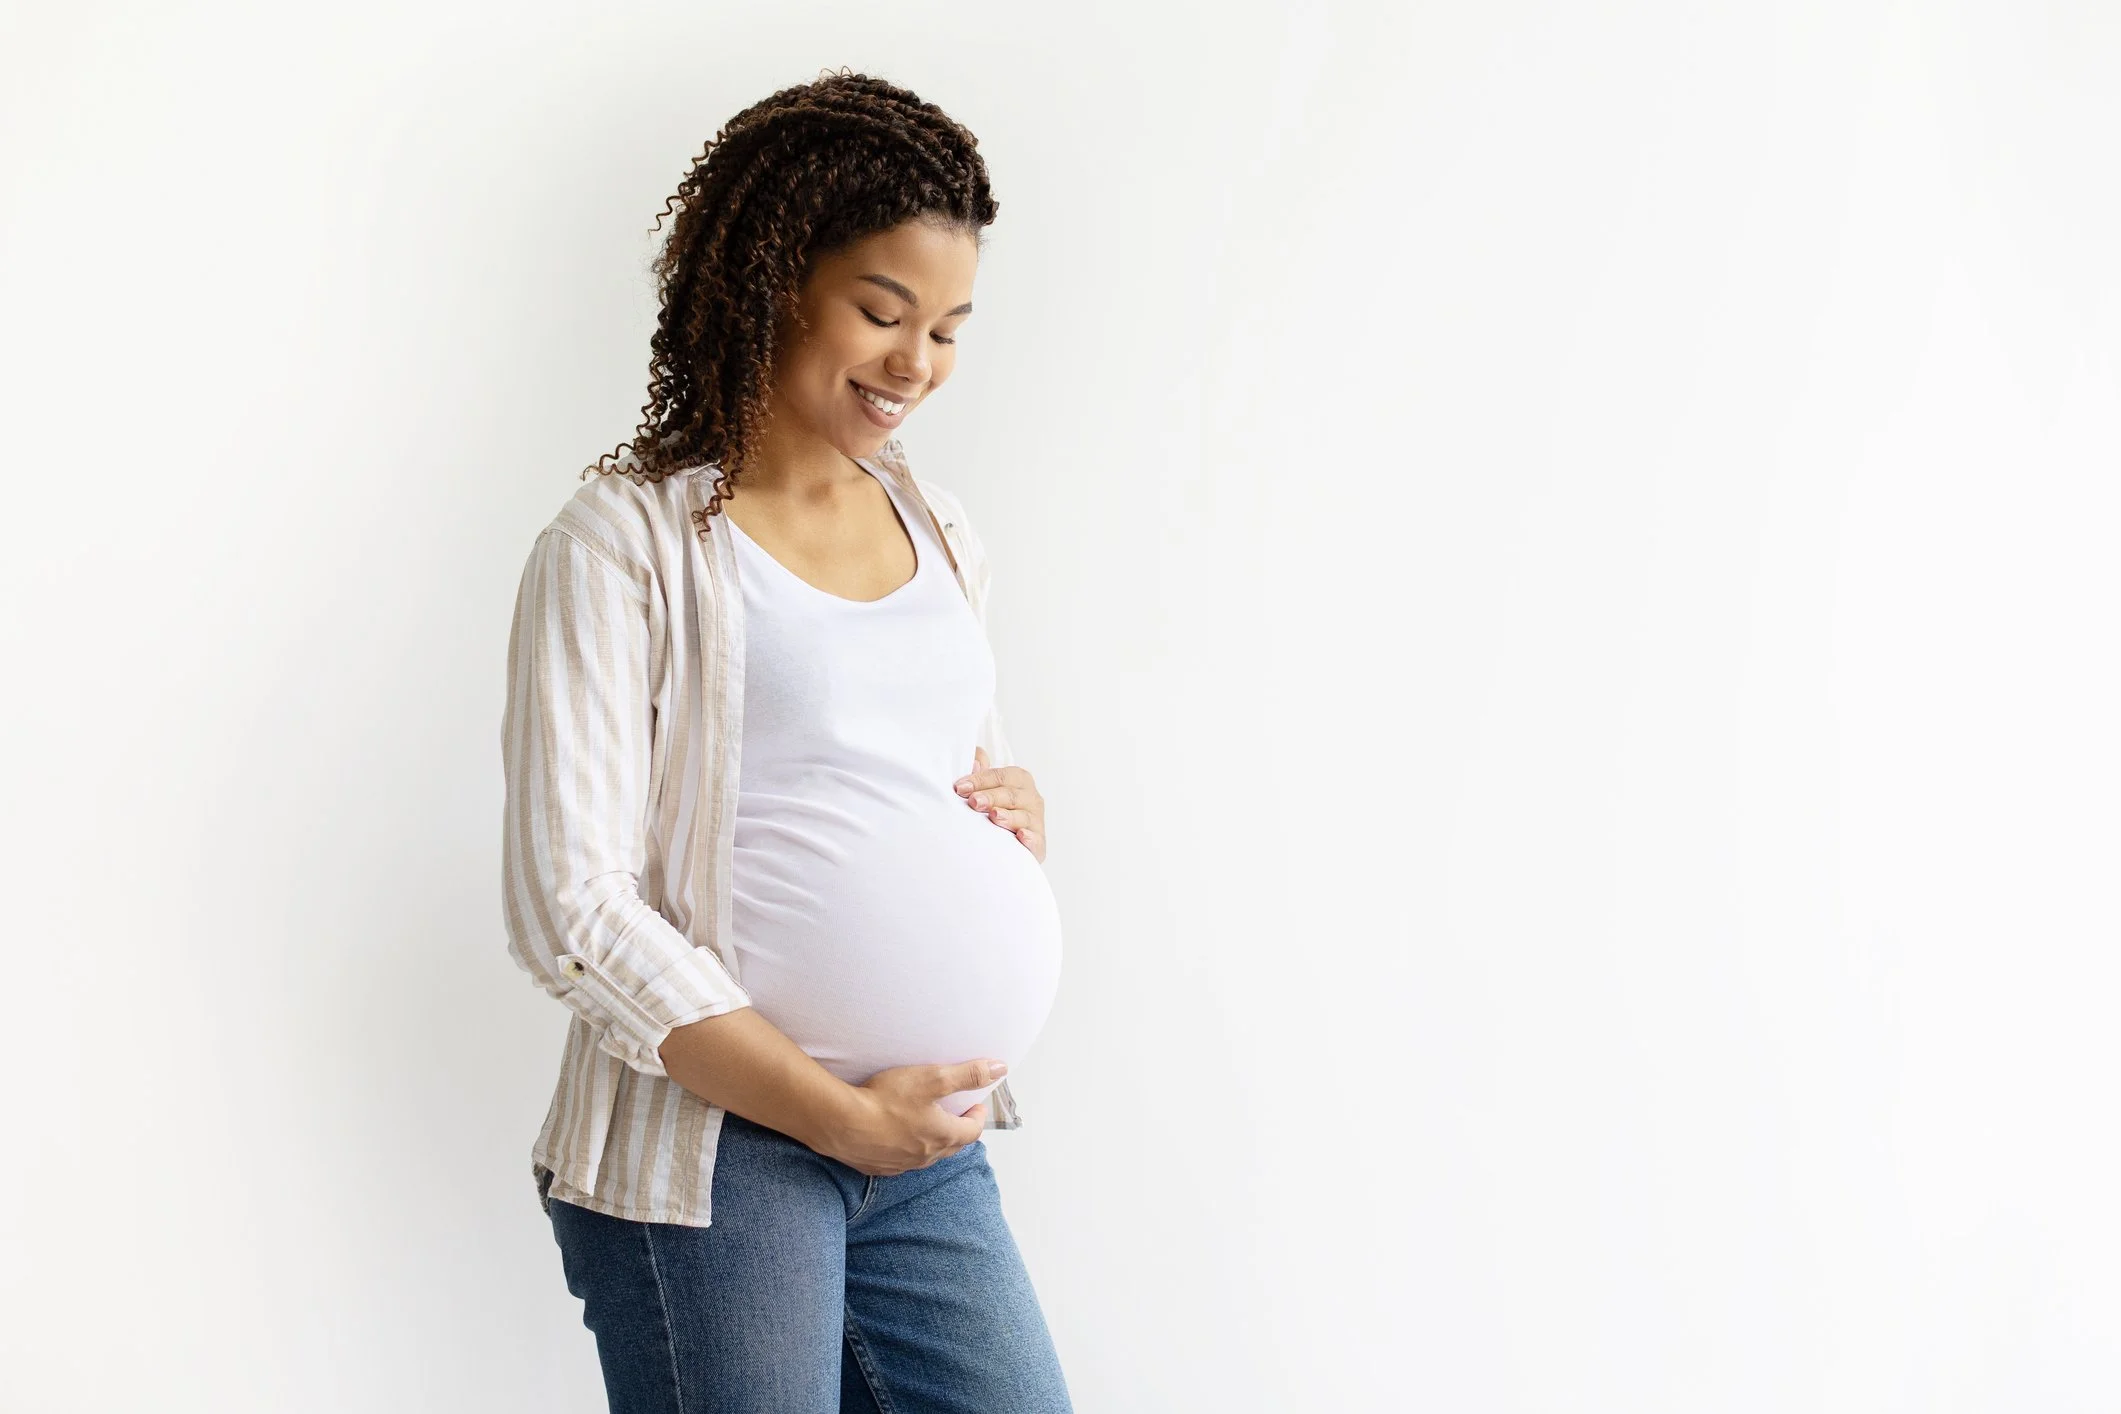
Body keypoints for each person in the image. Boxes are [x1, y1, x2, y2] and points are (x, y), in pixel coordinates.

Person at [498, 69, 1073, 1413]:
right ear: (772, 278)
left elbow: (898, 775)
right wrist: (829, 1113)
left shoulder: (942, 527)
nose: (914, 363)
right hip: (717, 1155)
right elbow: (570, 905)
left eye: (947, 328)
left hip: (925, 1145)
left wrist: (1008, 819)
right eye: (882, 310)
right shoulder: (622, 542)